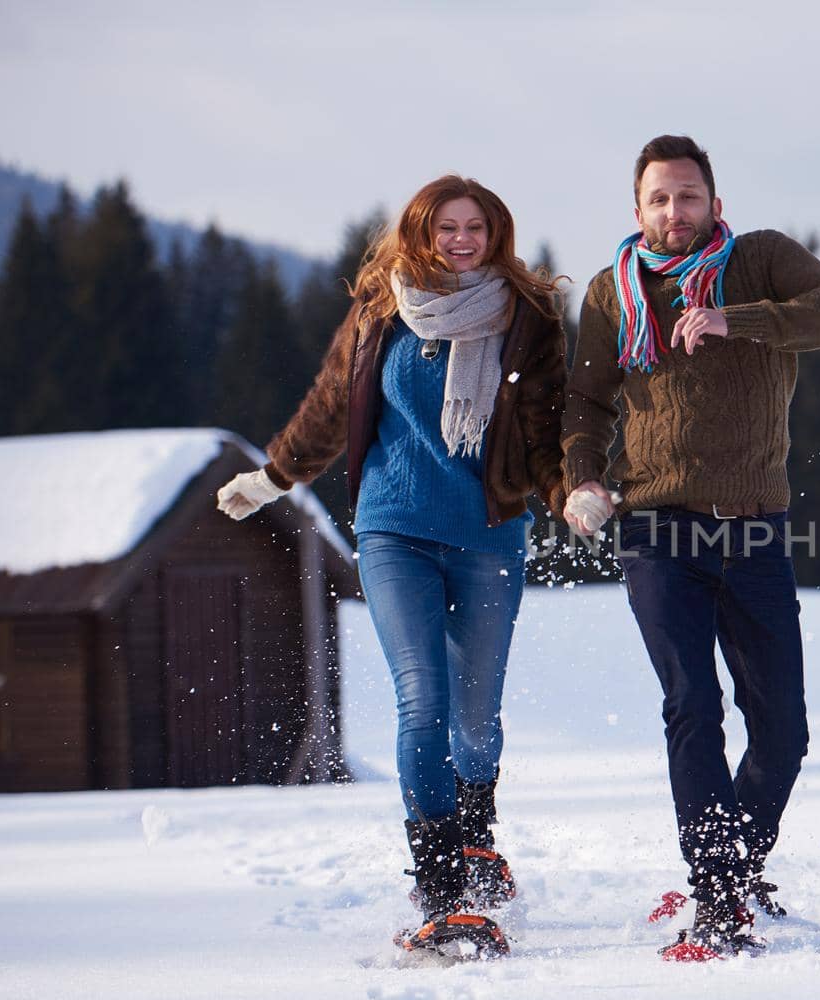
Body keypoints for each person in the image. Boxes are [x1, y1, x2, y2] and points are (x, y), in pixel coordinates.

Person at [216, 175, 567, 958]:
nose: (462, 239)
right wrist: (272, 477)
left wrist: (569, 491)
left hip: (488, 534)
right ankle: (441, 891)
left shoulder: (528, 316)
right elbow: (330, 403)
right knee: (423, 704)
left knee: (476, 722)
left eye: (477, 227)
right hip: (393, 530)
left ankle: (478, 837)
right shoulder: (383, 303)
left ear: (496, 234)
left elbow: (545, 428)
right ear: (420, 232)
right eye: (447, 227)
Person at [561, 135, 820, 959]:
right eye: (659, 199)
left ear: (714, 202)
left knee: (784, 731)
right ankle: (720, 898)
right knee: (692, 706)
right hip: (656, 528)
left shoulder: (761, 260)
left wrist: (739, 320)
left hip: (754, 526)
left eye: (688, 195)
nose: (674, 211)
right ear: (637, 211)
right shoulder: (609, 293)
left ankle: (729, 866)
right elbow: (585, 403)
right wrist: (584, 477)